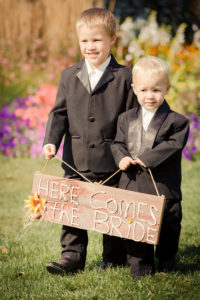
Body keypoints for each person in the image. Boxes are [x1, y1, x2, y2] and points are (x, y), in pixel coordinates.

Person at [42, 7, 137, 275]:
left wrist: (127, 153)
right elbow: (59, 113)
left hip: (114, 160)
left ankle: (114, 257)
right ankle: (71, 256)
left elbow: (131, 118)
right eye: (84, 40)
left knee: (112, 208)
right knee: (72, 208)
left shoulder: (125, 76)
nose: (90, 46)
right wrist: (51, 141)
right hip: (75, 159)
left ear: (112, 40)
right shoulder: (68, 76)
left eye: (97, 40)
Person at [111, 56, 189, 278]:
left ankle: (166, 261)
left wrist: (149, 157)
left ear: (167, 89)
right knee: (135, 228)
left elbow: (173, 144)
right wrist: (122, 157)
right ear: (134, 89)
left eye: (156, 90)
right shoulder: (125, 119)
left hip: (164, 186)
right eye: (144, 90)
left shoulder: (177, 121)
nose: (150, 96)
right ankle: (140, 267)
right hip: (133, 185)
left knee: (168, 227)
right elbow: (117, 143)